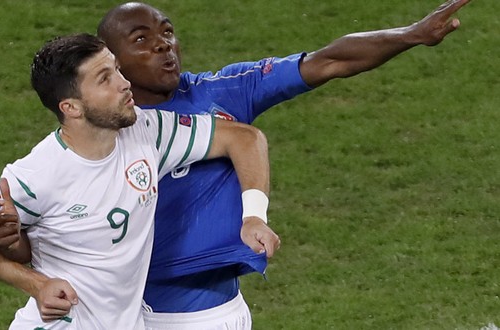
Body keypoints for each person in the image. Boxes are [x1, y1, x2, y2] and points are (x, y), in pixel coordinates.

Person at [94, 0, 474, 329]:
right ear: (108, 59)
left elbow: (329, 61)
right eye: (142, 39)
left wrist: (411, 34)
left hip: (210, 313)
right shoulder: (93, 130)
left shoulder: (222, 92)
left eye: (168, 32)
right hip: (118, 310)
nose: (164, 44)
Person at [0, 33, 280, 329]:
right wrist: (35, 284)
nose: (124, 83)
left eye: (117, 69)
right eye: (105, 78)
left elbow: (244, 139)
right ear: (71, 107)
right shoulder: (36, 175)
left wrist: (253, 216)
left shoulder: (147, 132)